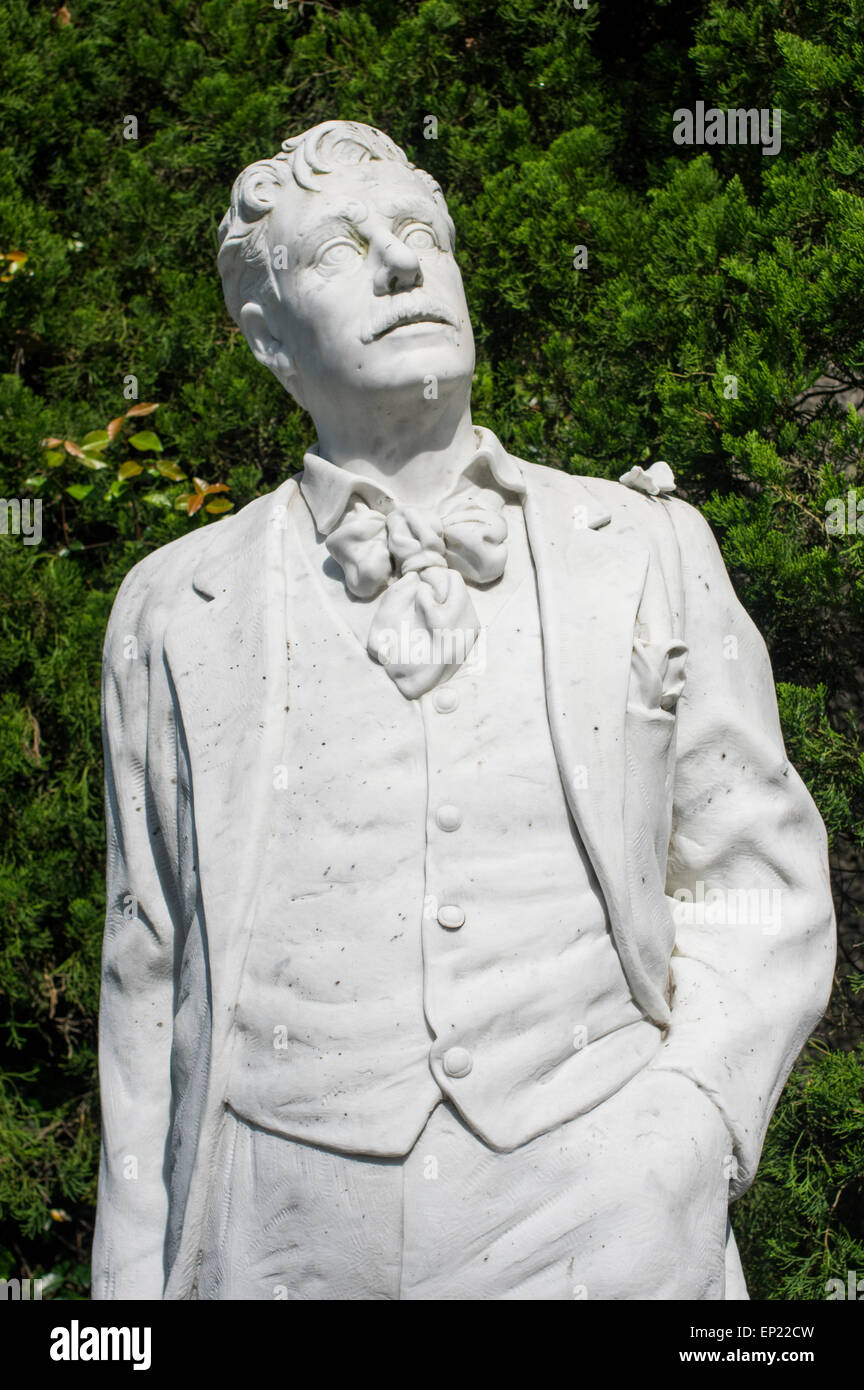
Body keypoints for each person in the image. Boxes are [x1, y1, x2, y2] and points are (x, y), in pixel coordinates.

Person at [92, 120, 835, 1301]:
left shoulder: (643, 550)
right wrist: (125, 1298)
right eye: (341, 250)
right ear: (266, 336)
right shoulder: (175, 610)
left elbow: (763, 885)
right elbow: (150, 971)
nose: (403, 268)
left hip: (601, 1218)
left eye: (421, 237)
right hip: (273, 1234)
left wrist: (687, 1130)